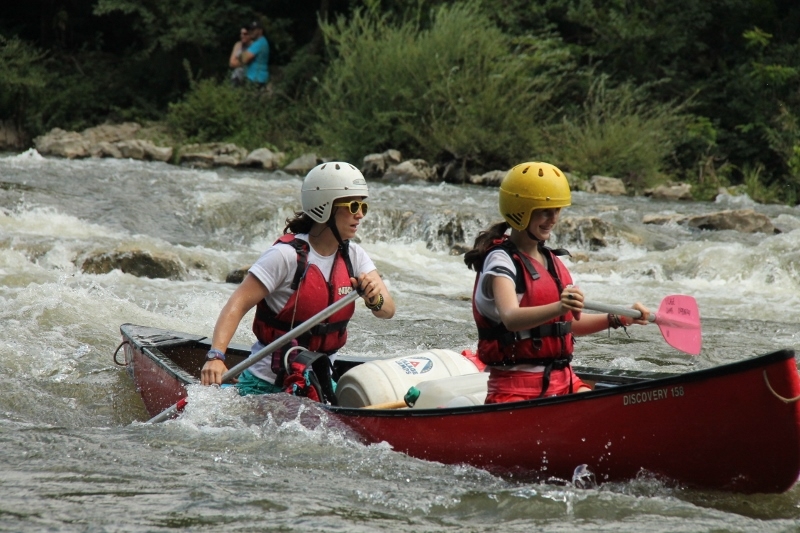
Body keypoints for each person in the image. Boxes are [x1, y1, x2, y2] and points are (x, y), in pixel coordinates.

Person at [201, 161, 395, 396]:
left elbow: (388, 310)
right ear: (325, 207)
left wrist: (375, 299)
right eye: (353, 205)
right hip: (266, 384)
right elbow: (237, 304)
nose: (360, 214)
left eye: (363, 206)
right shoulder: (285, 256)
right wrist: (216, 356)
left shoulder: (354, 255)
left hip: (318, 383)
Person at [463, 161, 650, 404]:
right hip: (515, 390)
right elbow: (511, 318)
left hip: (565, 382)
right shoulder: (500, 261)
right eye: (544, 211)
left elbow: (566, 325)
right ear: (520, 210)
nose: (553, 219)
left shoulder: (551, 260)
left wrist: (618, 318)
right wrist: (560, 306)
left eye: (557, 210)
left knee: (597, 406)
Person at [228, 19, 269, 87]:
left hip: (256, 80)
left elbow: (244, 58)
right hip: (258, 79)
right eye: (251, 29)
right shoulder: (262, 41)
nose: (252, 32)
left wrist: (236, 59)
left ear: (260, 31)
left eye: (254, 30)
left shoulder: (258, 44)